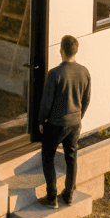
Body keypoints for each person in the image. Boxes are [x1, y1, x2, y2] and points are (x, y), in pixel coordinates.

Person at [37, 34, 91, 208]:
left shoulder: (55, 74)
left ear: (61, 50)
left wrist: (40, 120)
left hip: (56, 124)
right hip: (75, 122)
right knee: (71, 156)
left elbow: (47, 101)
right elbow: (87, 99)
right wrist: (78, 116)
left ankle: (51, 197)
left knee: (47, 156)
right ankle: (68, 194)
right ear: (76, 50)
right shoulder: (84, 72)